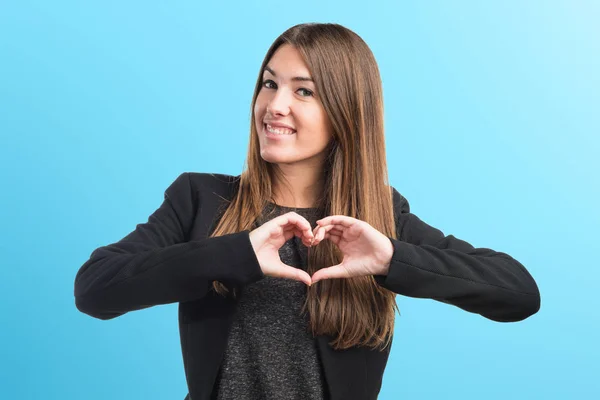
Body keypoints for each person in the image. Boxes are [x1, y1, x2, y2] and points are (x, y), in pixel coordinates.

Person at [73, 23, 541, 400]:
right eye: (269, 83)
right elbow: (95, 289)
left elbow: (518, 293)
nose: (274, 105)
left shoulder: (379, 214)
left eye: (304, 92)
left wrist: (391, 260)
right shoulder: (200, 197)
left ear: (345, 112)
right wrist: (233, 254)